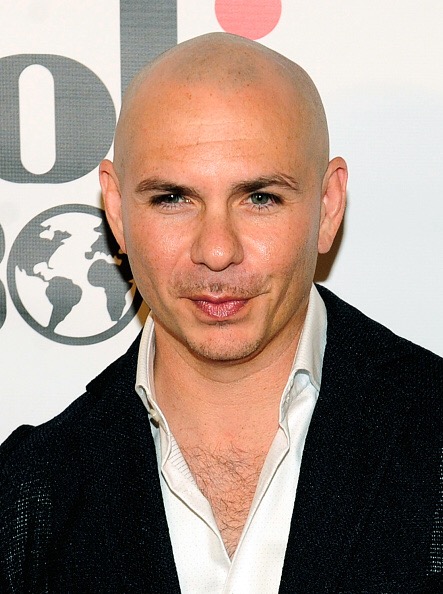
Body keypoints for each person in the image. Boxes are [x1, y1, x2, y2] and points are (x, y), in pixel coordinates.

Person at [0, 33, 442, 593]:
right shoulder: (26, 496)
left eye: (260, 198)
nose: (216, 250)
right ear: (116, 209)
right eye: (173, 199)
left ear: (328, 207)